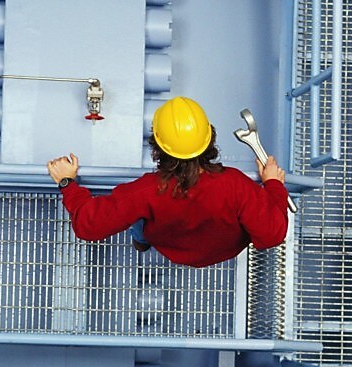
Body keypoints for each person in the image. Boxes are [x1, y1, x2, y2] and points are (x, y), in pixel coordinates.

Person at [46, 96, 289, 268]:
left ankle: (141, 243)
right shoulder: (236, 185)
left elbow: (89, 226)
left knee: (138, 217)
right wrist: (273, 185)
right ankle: (142, 241)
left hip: (171, 247)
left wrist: (68, 183)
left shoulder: (146, 191)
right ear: (209, 138)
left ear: (157, 145)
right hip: (224, 250)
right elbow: (272, 236)